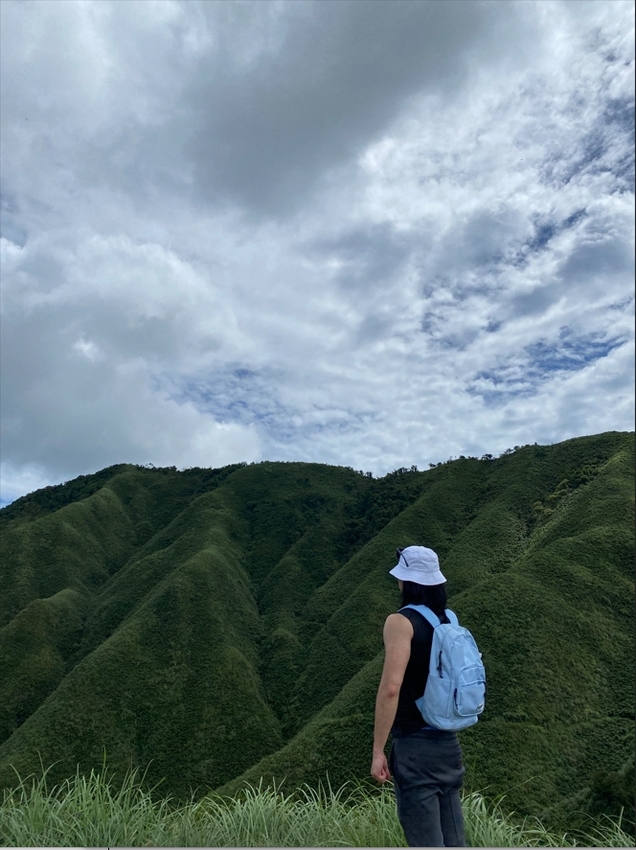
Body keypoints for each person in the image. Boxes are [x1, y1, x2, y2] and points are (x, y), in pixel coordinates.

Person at [370, 545, 467, 847]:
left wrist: (378, 750)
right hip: (449, 746)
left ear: (406, 581)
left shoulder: (401, 622)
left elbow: (391, 688)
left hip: (415, 748)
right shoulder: (449, 620)